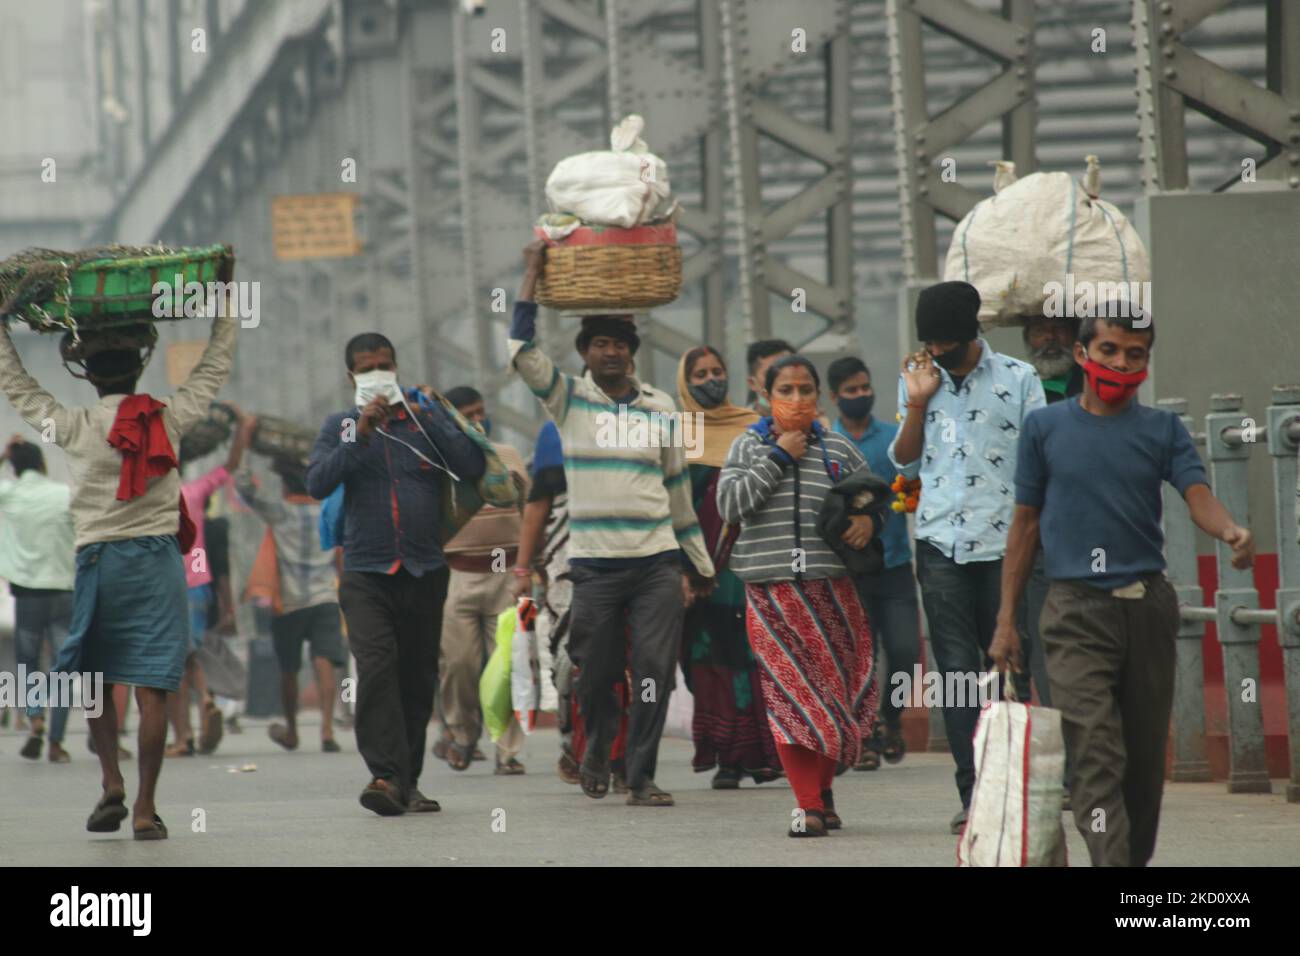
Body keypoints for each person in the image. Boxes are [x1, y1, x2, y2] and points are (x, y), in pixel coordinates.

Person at [991, 305, 1254, 866]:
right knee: (1095, 753)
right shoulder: (1045, 427)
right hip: (1073, 612)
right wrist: (1006, 619)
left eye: (1135, 354)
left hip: (1148, 610)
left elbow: (1196, 494)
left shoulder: (1161, 429)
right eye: (1109, 350)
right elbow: (1025, 523)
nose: (1121, 362)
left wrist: (1230, 529)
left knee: (1141, 766)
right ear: (1083, 354)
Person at [0, 311, 237, 841]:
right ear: (138, 369)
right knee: (154, 688)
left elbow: (17, 388)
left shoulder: (70, 425)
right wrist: (225, 313)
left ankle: (110, 780)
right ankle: (147, 808)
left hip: (97, 563)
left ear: (89, 374)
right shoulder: (168, 419)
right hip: (156, 563)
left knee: (96, 681)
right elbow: (212, 370)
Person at [508, 240, 715, 808]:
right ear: (585, 353)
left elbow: (678, 494)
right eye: (600, 343)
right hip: (595, 566)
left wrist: (698, 565)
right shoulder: (569, 401)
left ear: (632, 354)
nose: (612, 352)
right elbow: (521, 350)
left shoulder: (660, 409)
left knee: (653, 669)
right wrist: (531, 272)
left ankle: (642, 775)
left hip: (655, 563)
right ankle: (596, 746)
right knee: (592, 670)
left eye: (620, 344)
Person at [887, 280, 1045, 835]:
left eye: (945, 343)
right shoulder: (917, 378)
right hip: (940, 548)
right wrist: (916, 401)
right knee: (956, 676)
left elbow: (1041, 464)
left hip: (1007, 548)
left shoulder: (1019, 380)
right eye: (928, 342)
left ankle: (1016, 790)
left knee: (1008, 670)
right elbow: (904, 464)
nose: (936, 352)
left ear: (972, 332)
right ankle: (973, 793)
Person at [306, 332, 486, 817]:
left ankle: (407, 782)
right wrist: (361, 433)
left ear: (397, 367)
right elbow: (317, 480)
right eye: (366, 369)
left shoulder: (425, 422)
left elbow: (472, 462)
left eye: (384, 365)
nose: (377, 374)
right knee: (378, 667)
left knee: (416, 677)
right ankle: (384, 774)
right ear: (352, 377)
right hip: (367, 572)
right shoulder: (342, 425)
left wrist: (437, 414)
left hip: (425, 570)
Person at [717, 355, 880, 837]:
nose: (796, 399)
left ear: (820, 397)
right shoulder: (747, 446)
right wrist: (780, 456)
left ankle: (824, 797)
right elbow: (730, 504)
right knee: (790, 699)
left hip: (832, 591)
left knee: (832, 699)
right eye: (784, 390)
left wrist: (870, 520)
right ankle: (806, 806)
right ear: (766, 397)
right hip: (770, 593)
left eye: (805, 389)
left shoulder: (838, 449)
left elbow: (874, 496)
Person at [676, 345, 781, 788]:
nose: (711, 380)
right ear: (685, 382)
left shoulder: (751, 428)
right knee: (702, 660)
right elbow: (672, 504)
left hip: (743, 565)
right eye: (699, 374)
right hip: (693, 570)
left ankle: (751, 756)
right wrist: (684, 567)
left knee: (746, 657)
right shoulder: (677, 432)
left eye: (718, 371)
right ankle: (722, 750)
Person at [232, 414, 345, 753]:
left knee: (289, 668)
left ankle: (293, 729)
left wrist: (246, 445)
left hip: (290, 602)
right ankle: (327, 730)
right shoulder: (327, 509)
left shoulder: (280, 511)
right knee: (325, 659)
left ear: (285, 486)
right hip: (326, 596)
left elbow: (244, 488)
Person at [829, 356, 919, 770]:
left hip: (896, 566)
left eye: (865, 387)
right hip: (850, 571)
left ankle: (891, 718)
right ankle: (862, 736)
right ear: (835, 398)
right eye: (851, 390)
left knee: (903, 652)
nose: (861, 395)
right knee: (858, 656)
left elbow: (910, 482)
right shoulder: (827, 445)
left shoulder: (892, 438)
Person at [433, 385, 529, 775]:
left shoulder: (508, 457)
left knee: (506, 666)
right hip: (458, 576)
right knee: (459, 665)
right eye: (467, 415)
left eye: (481, 412)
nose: (477, 421)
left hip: (505, 575)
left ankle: (507, 752)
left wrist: (528, 568)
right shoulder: (440, 465)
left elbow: (533, 515)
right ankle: (462, 734)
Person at [167, 430, 246, 757]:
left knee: (172, 665)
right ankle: (208, 700)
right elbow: (230, 466)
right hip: (199, 586)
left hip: (168, 589)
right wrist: (244, 428)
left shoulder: (147, 500)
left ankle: (183, 737)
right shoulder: (195, 492)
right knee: (193, 656)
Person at [0, 436, 76, 763]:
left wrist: (4, 455)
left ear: (14, 469)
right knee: (63, 665)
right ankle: (57, 743)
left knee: (29, 663)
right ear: (43, 465)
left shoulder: (10, 493)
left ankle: (35, 721)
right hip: (63, 591)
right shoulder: (63, 494)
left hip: (28, 593)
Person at [745, 340, 794, 414]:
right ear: (752, 383)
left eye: (789, 372)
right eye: (770, 374)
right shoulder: (741, 424)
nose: (782, 381)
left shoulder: (815, 422)